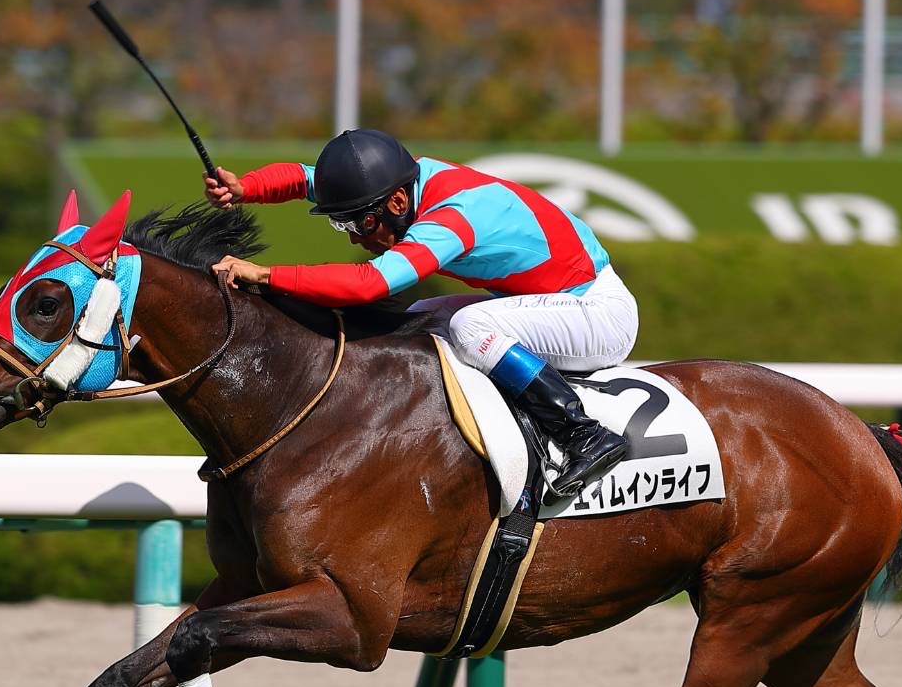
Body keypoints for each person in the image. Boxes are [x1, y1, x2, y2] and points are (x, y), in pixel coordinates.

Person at [205, 128, 633, 504]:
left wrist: (265, 274)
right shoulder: (400, 182)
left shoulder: (451, 217)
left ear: (396, 201)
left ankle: (583, 434)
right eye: (343, 225)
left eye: (360, 224)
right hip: (559, 302)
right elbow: (306, 178)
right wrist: (246, 187)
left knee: (469, 326)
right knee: (419, 318)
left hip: (597, 315)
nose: (356, 239)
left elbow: (370, 283)